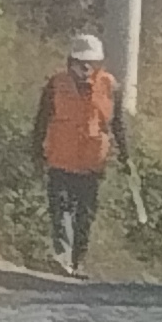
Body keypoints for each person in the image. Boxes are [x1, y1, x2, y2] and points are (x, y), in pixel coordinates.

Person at [31, 31, 128, 276]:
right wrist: (36, 150)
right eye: (80, 62)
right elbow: (41, 120)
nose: (85, 67)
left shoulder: (110, 87)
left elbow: (117, 124)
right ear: (70, 61)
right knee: (61, 209)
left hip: (92, 164)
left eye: (90, 63)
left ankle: (77, 261)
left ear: (99, 64)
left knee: (85, 215)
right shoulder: (56, 85)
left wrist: (125, 154)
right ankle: (62, 257)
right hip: (60, 160)